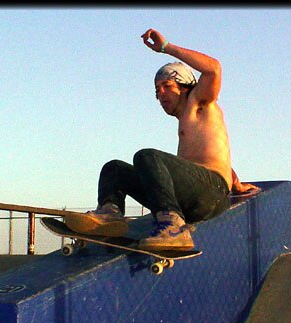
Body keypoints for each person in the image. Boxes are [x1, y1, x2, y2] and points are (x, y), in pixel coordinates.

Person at [64, 28, 236, 251]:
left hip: (212, 194)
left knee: (146, 157)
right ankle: (110, 214)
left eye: (167, 87)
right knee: (115, 169)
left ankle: (173, 227)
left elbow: (214, 68)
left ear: (185, 88)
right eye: (157, 90)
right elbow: (214, 150)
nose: (161, 94)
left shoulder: (199, 102)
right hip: (193, 194)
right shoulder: (189, 122)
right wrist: (236, 180)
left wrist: (166, 48)